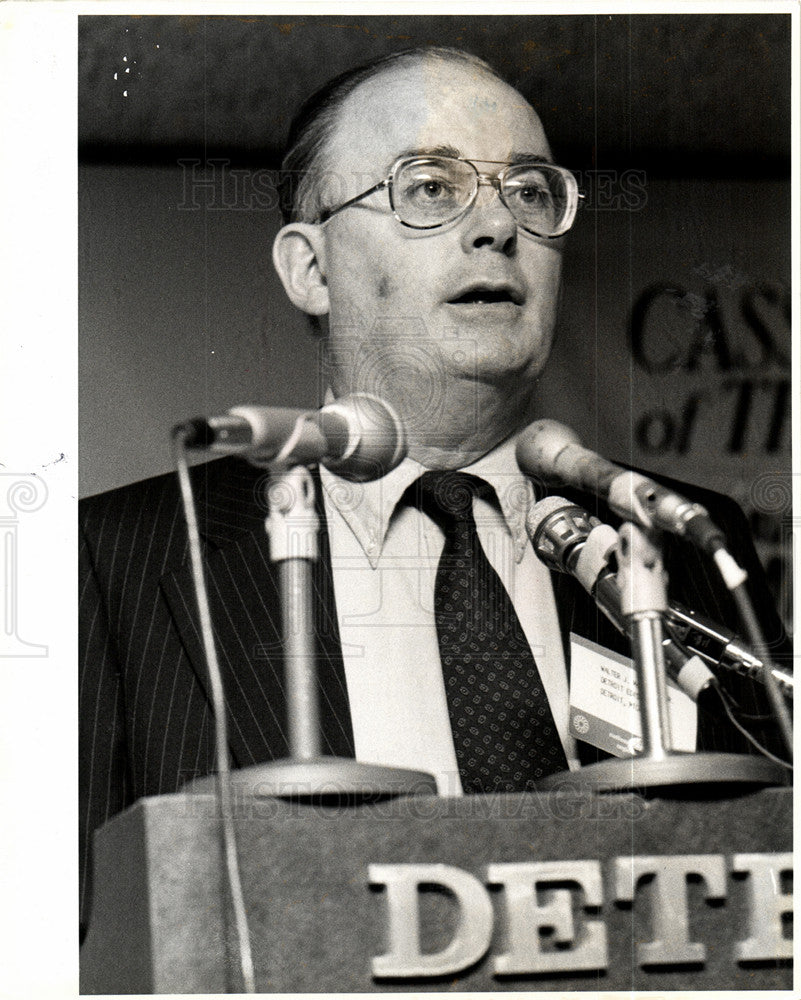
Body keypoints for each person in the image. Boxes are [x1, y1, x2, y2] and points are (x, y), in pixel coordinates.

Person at [79, 45, 787, 937]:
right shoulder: (119, 561)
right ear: (310, 268)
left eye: (529, 192)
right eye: (429, 188)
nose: (497, 228)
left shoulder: (672, 533)